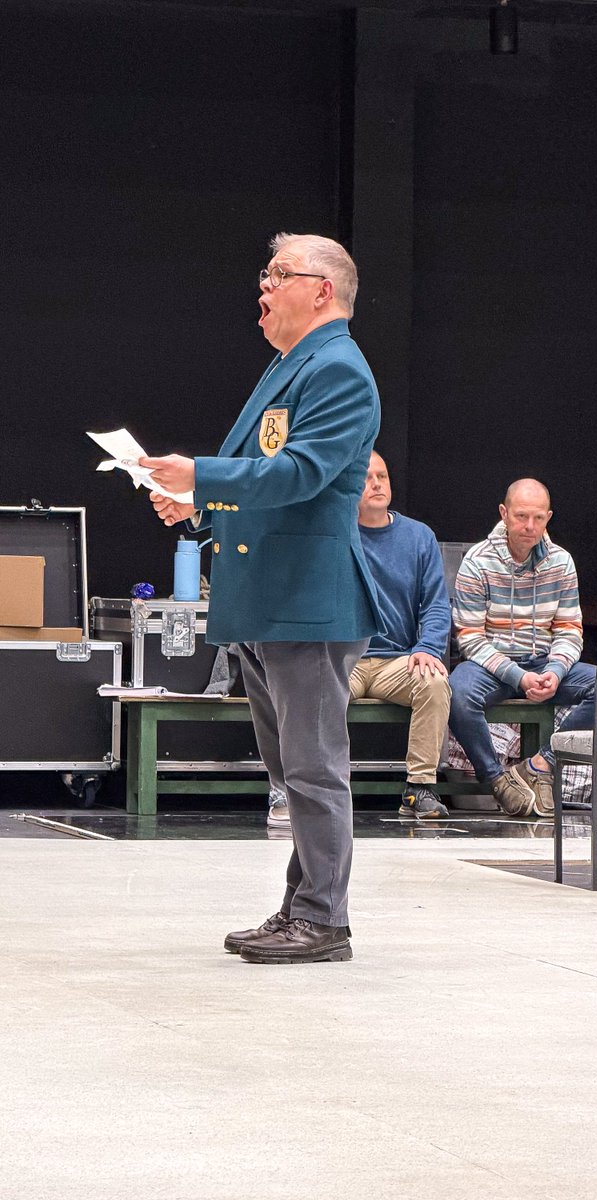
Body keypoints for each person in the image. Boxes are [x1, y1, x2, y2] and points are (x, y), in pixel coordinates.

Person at [140, 232, 382, 964]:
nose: (264, 286)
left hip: (307, 600)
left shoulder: (338, 370)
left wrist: (203, 478)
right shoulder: (292, 365)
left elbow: (303, 473)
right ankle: (300, 908)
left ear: (322, 289)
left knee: (313, 769)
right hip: (270, 597)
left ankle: (324, 922)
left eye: (279, 274)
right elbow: (260, 470)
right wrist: (199, 507)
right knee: (292, 773)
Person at [448, 479, 597, 816]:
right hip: (494, 666)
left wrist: (556, 672)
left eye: (539, 518)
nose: (530, 527)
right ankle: (497, 780)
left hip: (544, 662)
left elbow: (570, 629)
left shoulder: (561, 561)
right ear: (504, 513)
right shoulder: (478, 560)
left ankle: (540, 764)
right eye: (521, 516)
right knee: (457, 691)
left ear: (548, 518)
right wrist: (519, 677)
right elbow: (469, 637)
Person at [351, 451, 452, 819]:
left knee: (434, 682)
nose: (376, 484)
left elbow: (437, 605)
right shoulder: (336, 533)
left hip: (397, 660)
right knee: (309, 692)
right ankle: (308, 788)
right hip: (344, 658)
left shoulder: (419, 536)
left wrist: (428, 647)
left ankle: (419, 788)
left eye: (383, 476)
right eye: (366, 478)